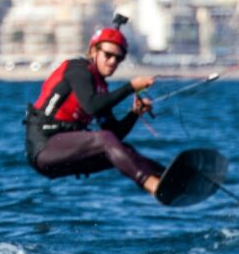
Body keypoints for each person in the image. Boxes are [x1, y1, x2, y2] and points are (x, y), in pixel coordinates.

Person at [24, 25, 165, 194]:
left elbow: (114, 135)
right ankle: (152, 186)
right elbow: (91, 107)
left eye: (118, 58)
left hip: (67, 154)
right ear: (93, 51)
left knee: (126, 150)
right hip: (45, 146)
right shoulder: (78, 69)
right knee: (105, 139)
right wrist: (130, 87)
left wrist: (134, 114)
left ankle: (169, 179)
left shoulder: (100, 88)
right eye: (108, 55)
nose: (113, 62)